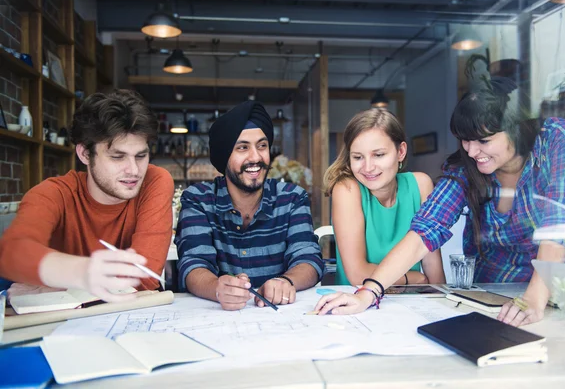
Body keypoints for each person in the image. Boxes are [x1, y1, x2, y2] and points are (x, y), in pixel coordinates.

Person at [314, 83, 565, 326]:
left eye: (483, 140)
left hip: (559, 291)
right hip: (491, 294)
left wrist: (534, 298)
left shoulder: (558, 139)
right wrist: (369, 292)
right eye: (465, 140)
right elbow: (426, 230)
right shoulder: (464, 168)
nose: (471, 151)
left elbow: (559, 224)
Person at [0, 90, 174, 302]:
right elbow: (11, 253)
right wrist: (81, 272)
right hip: (65, 326)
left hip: (128, 316)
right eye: (117, 157)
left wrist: (62, 286)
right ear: (84, 153)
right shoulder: (54, 193)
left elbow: (142, 278)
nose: (134, 170)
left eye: (141, 156)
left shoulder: (154, 181)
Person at [176, 100, 324, 311]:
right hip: (219, 322)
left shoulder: (292, 198)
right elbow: (193, 264)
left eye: (262, 146)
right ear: (224, 156)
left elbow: (308, 257)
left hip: (281, 320)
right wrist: (217, 288)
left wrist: (285, 281)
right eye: (242, 147)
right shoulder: (198, 200)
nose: (255, 157)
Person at [323, 108, 445, 286]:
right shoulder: (347, 189)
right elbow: (358, 274)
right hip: (356, 304)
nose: (368, 167)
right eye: (358, 157)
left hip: (411, 303)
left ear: (401, 152)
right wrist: (412, 278)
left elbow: (432, 265)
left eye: (378, 155)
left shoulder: (421, 185)